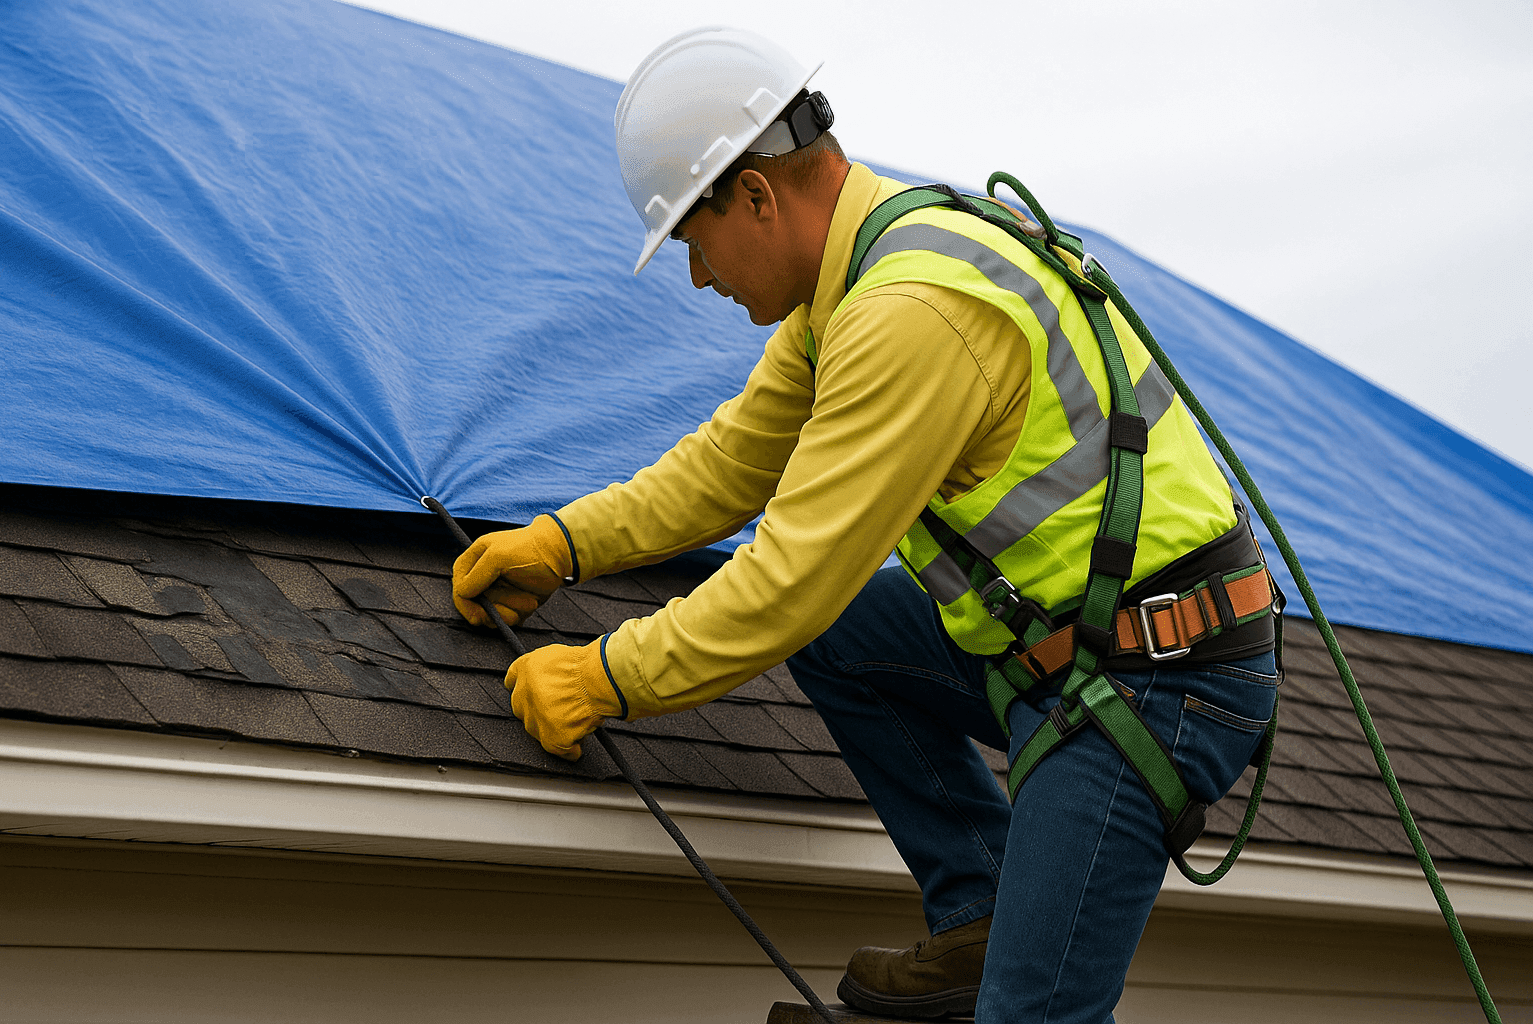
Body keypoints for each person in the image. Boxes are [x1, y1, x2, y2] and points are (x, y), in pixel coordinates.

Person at [453, 26, 1279, 1024]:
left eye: (692, 241)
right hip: (1070, 647)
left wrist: (605, 676)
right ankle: (981, 911)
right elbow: (733, 463)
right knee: (852, 635)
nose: (700, 276)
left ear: (755, 196)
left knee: (1033, 1017)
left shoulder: (911, 311)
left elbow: (791, 576)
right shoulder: (854, 284)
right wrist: (565, 542)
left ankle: (1000, 970)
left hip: (1156, 676)